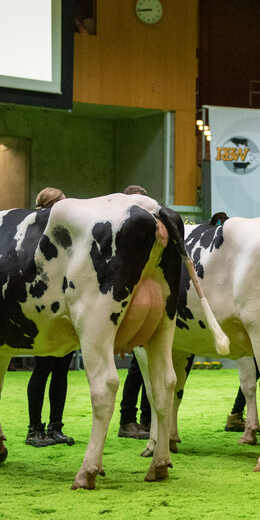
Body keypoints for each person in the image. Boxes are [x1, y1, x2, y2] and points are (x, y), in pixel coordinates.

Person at [25, 187, 76, 447]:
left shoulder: (65, 235)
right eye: (61, 204)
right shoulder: (34, 232)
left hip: (63, 307)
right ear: (49, 206)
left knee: (61, 371)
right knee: (43, 369)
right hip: (44, 309)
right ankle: (34, 429)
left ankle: (55, 427)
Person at [117, 185, 153, 439]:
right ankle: (127, 420)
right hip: (128, 301)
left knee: (149, 367)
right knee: (137, 367)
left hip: (149, 301)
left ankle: (147, 419)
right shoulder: (120, 229)